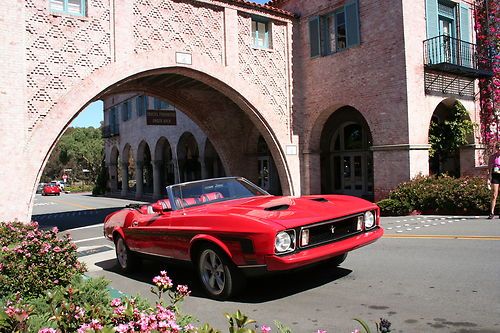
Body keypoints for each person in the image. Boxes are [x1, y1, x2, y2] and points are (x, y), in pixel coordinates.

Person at [487, 142, 500, 219]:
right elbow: (489, 168)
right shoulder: (492, 157)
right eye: (498, 148)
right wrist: (489, 177)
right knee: (494, 194)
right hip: (495, 176)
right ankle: (492, 212)